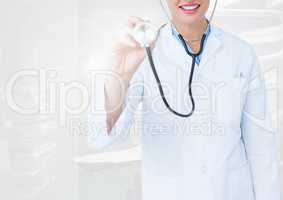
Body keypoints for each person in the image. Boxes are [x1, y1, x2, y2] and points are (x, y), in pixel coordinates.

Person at [88, 0, 281, 199]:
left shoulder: (241, 53)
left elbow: (261, 150)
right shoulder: (143, 52)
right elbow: (102, 138)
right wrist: (120, 75)